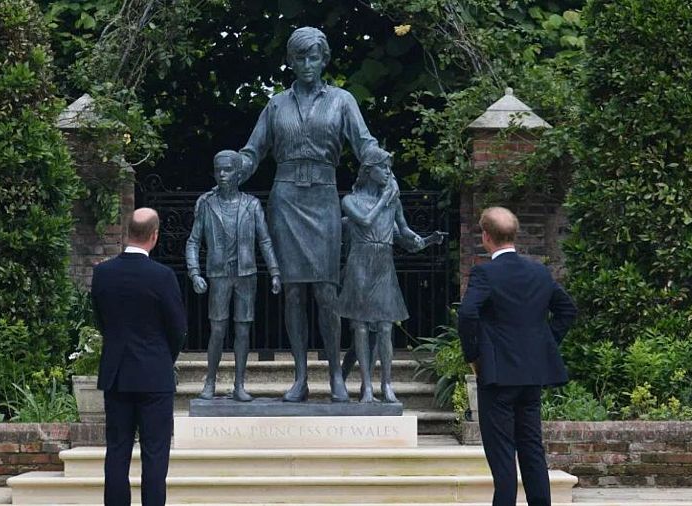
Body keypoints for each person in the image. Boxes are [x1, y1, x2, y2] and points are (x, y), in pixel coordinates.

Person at [238, 26, 382, 402]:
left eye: (313, 57)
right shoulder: (276, 105)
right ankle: (300, 377)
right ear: (290, 60)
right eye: (299, 57)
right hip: (285, 199)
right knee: (294, 293)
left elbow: (364, 142)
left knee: (326, 291)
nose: (306, 64)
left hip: (322, 198)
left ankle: (335, 373)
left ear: (324, 59)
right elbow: (254, 151)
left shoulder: (342, 101)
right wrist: (236, 166)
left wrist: (379, 163)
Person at [457, 207, 576, 506]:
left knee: (502, 455)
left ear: (485, 236)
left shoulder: (485, 273)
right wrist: (544, 345)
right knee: (532, 448)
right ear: (514, 234)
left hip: (497, 377)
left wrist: (474, 356)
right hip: (532, 375)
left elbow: (467, 313)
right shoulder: (538, 271)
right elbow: (566, 310)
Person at [92, 208, 187, 506]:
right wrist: (162, 358)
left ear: (127, 232)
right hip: (154, 375)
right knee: (155, 454)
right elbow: (178, 328)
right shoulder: (162, 276)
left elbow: (101, 320)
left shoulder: (102, 273)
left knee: (117, 450)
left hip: (117, 373)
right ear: (155, 236)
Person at [337, 147, 445, 403]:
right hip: (360, 263)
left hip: (383, 263)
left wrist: (427, 240)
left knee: (385, 327)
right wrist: (385, 199)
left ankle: (386, 384)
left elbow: (404, 232)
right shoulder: (351, 201)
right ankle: (366, 387)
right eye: (382, 167)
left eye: (389, 168)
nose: (387, 172)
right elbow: (364, 221)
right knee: (361, 327)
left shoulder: (392, 201)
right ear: (368, 170)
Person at [186, 150, 282, 402]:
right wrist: (194, 272)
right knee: (217, 330)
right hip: (219, 275)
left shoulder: (251, 205)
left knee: (242, 331)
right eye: (218, 170)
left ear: (239, 174)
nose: (222, 174)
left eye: (228, 170)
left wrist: (274, 271)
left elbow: (265, 240)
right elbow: (193, 242)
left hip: (246, 274)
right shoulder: (206, 204)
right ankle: (210, 381)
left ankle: (240, 384)